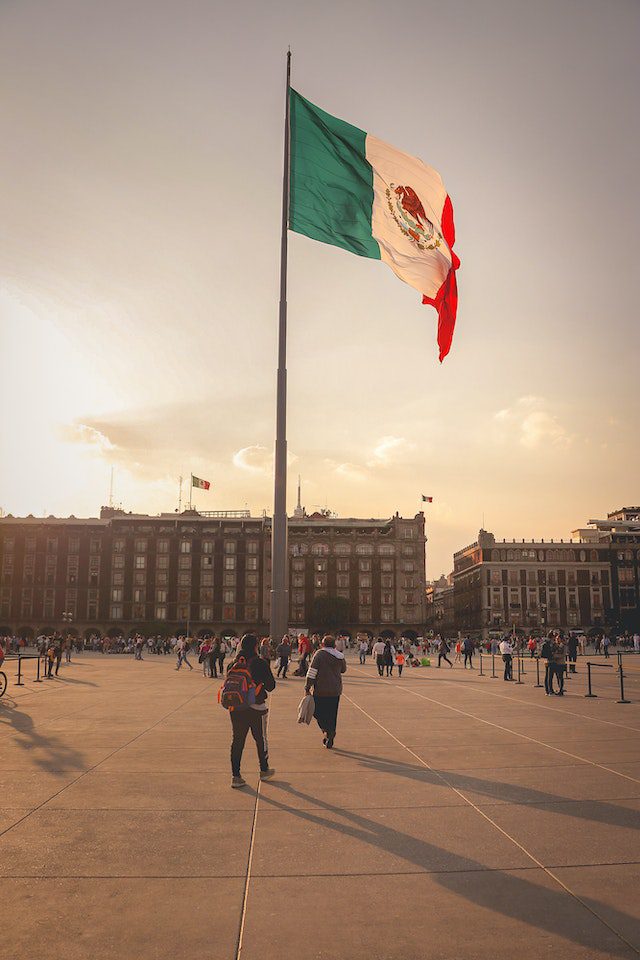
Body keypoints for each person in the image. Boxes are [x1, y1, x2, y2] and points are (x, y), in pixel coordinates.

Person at [227, 634, 276, 788]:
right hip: (256, 707)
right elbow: (271, 686)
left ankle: (236, 776)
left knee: (237, 741)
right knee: (260, 739)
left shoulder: (233, 664)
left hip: (236, 707)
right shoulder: (260, 663)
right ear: (256, 646)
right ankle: (264, 770)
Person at [305, 634, 347, 749]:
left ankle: (326, 731)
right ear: (334, 645)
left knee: (317, 712)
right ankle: (330, 733)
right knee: (332, 714)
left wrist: (307, 687)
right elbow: (343, 670)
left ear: (323, 644)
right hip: (335, 690)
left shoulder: (319, 654)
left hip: (321, 690)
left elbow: (312, 671)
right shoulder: (340, 656)